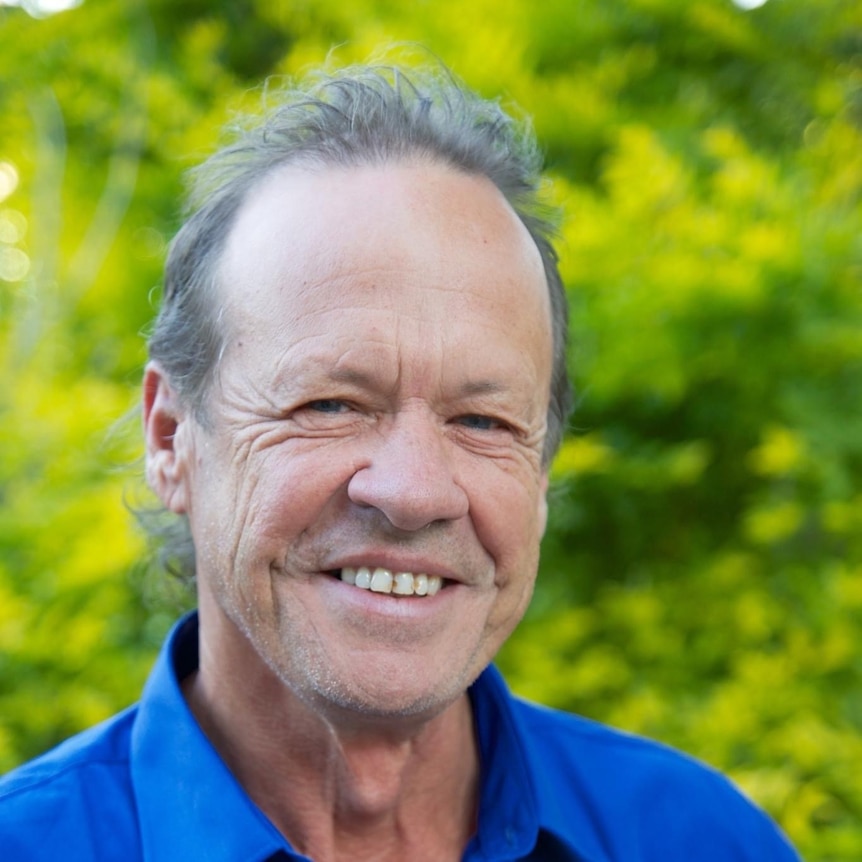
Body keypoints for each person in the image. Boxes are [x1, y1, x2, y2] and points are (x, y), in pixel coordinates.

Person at [0, 61, 800, 861]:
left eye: (482, 420)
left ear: (543, 476)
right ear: (172, 439)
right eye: (331, 405)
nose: (415, 491)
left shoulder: (698, 837)